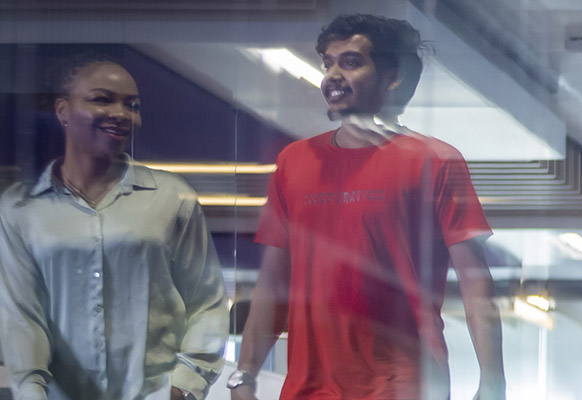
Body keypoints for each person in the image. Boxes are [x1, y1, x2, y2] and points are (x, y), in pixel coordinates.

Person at [227, 14, 506, 400]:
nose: (333, 74)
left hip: (405, 386)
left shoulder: (436, 161)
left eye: (351, 62)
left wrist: (493, 382)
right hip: (309, 389)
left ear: (393, 77)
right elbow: (273, 285)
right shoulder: (294, 162)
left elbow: (476, 285)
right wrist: (244, 374)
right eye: (328, 62)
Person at [0, 52, 227, 400]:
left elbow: (206, 303)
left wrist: (183, 387)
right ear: (63, 111)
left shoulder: (171, 197)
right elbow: (20, 315)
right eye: (102, 99)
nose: (121, 114)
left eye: (132, 105)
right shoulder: (20, 207)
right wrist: (31, 391)